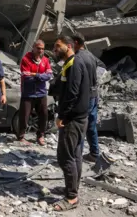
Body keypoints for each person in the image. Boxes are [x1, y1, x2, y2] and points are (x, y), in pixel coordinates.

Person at [52, 36, 90, 212]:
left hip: (72, 119)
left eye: (57, 46)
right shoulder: (72, 62)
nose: (55, 49)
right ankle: (72, 189)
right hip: (79, 117)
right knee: (75, 155)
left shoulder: (74, 64)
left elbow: (72, 94)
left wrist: (61, 116)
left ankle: (71, 198)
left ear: (68, 46)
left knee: (65, 156)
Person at [71, 32, 107, 163]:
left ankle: (77, 157)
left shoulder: (77, 57)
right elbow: (103, 66)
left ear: (75, 43)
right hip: (93, 95)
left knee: (80, 125)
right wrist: (95, 81)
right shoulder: (90, 55)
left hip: (84, 97)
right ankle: (94, 153)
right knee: (91, 125)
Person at [17, 40, 53, 146]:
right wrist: (41, 76)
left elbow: (49, 76)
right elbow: (26, 77)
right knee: (24, 116)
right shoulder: (26, 59)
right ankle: (21, 136)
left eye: (42, 48)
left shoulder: (45, 60)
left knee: (44, 115)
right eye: (38, 48)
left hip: (41, 93)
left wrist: (35, 75)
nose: (40, 50)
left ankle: (40, 136)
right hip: (28, 93)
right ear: (33, 47)